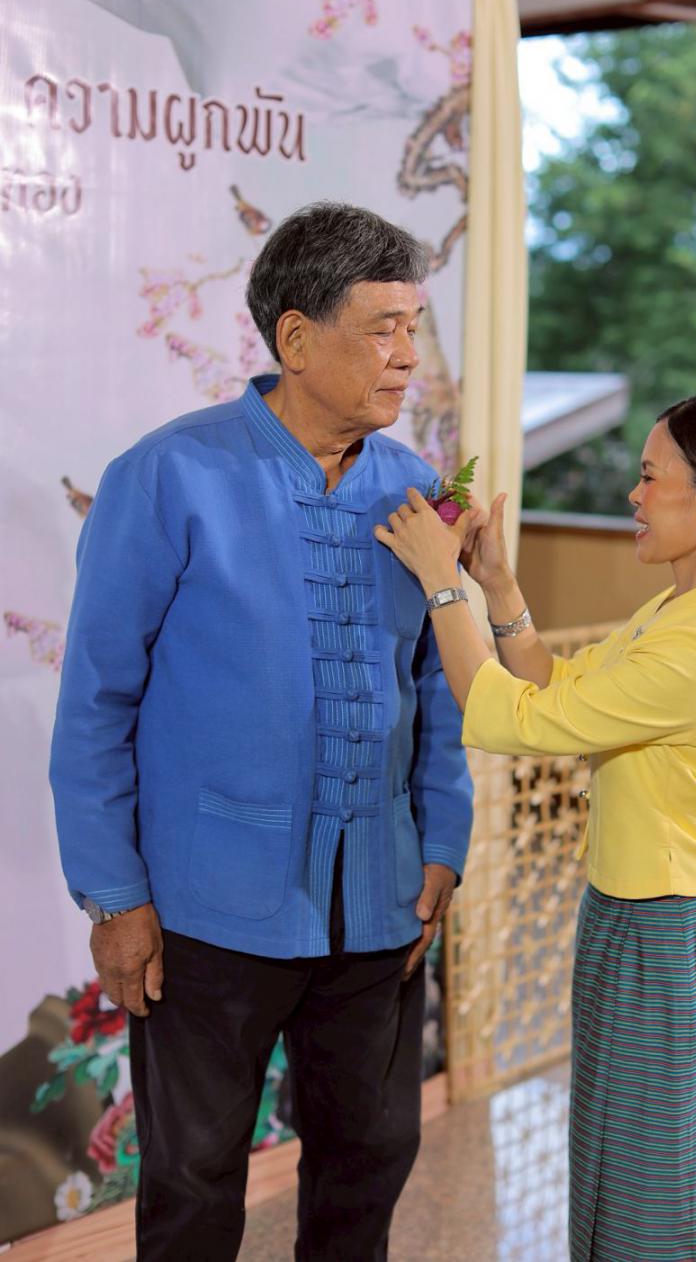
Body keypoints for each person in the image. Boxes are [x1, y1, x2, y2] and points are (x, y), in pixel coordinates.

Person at [49, 202, 474, 1262]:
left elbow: (438, 687)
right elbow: (95, 702)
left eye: (414, 327)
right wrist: (114, 897)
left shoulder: (417, 491)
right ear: (296, 339)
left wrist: (441, 842)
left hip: (380, 903)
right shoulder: (167, 476)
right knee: (193, 1184)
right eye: (382, 329)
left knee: (370, 1160)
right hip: (206, 913)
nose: (406, 356)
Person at [375, 393, 696, 1262]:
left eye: (651, 478)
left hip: (676, 938)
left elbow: (511, 720)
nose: (634, 496)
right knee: (617, 1181)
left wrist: (440, 583)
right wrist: (497, 586)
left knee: (661, 1210)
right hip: (637, 921)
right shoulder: (689, 605)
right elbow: (558, 688)